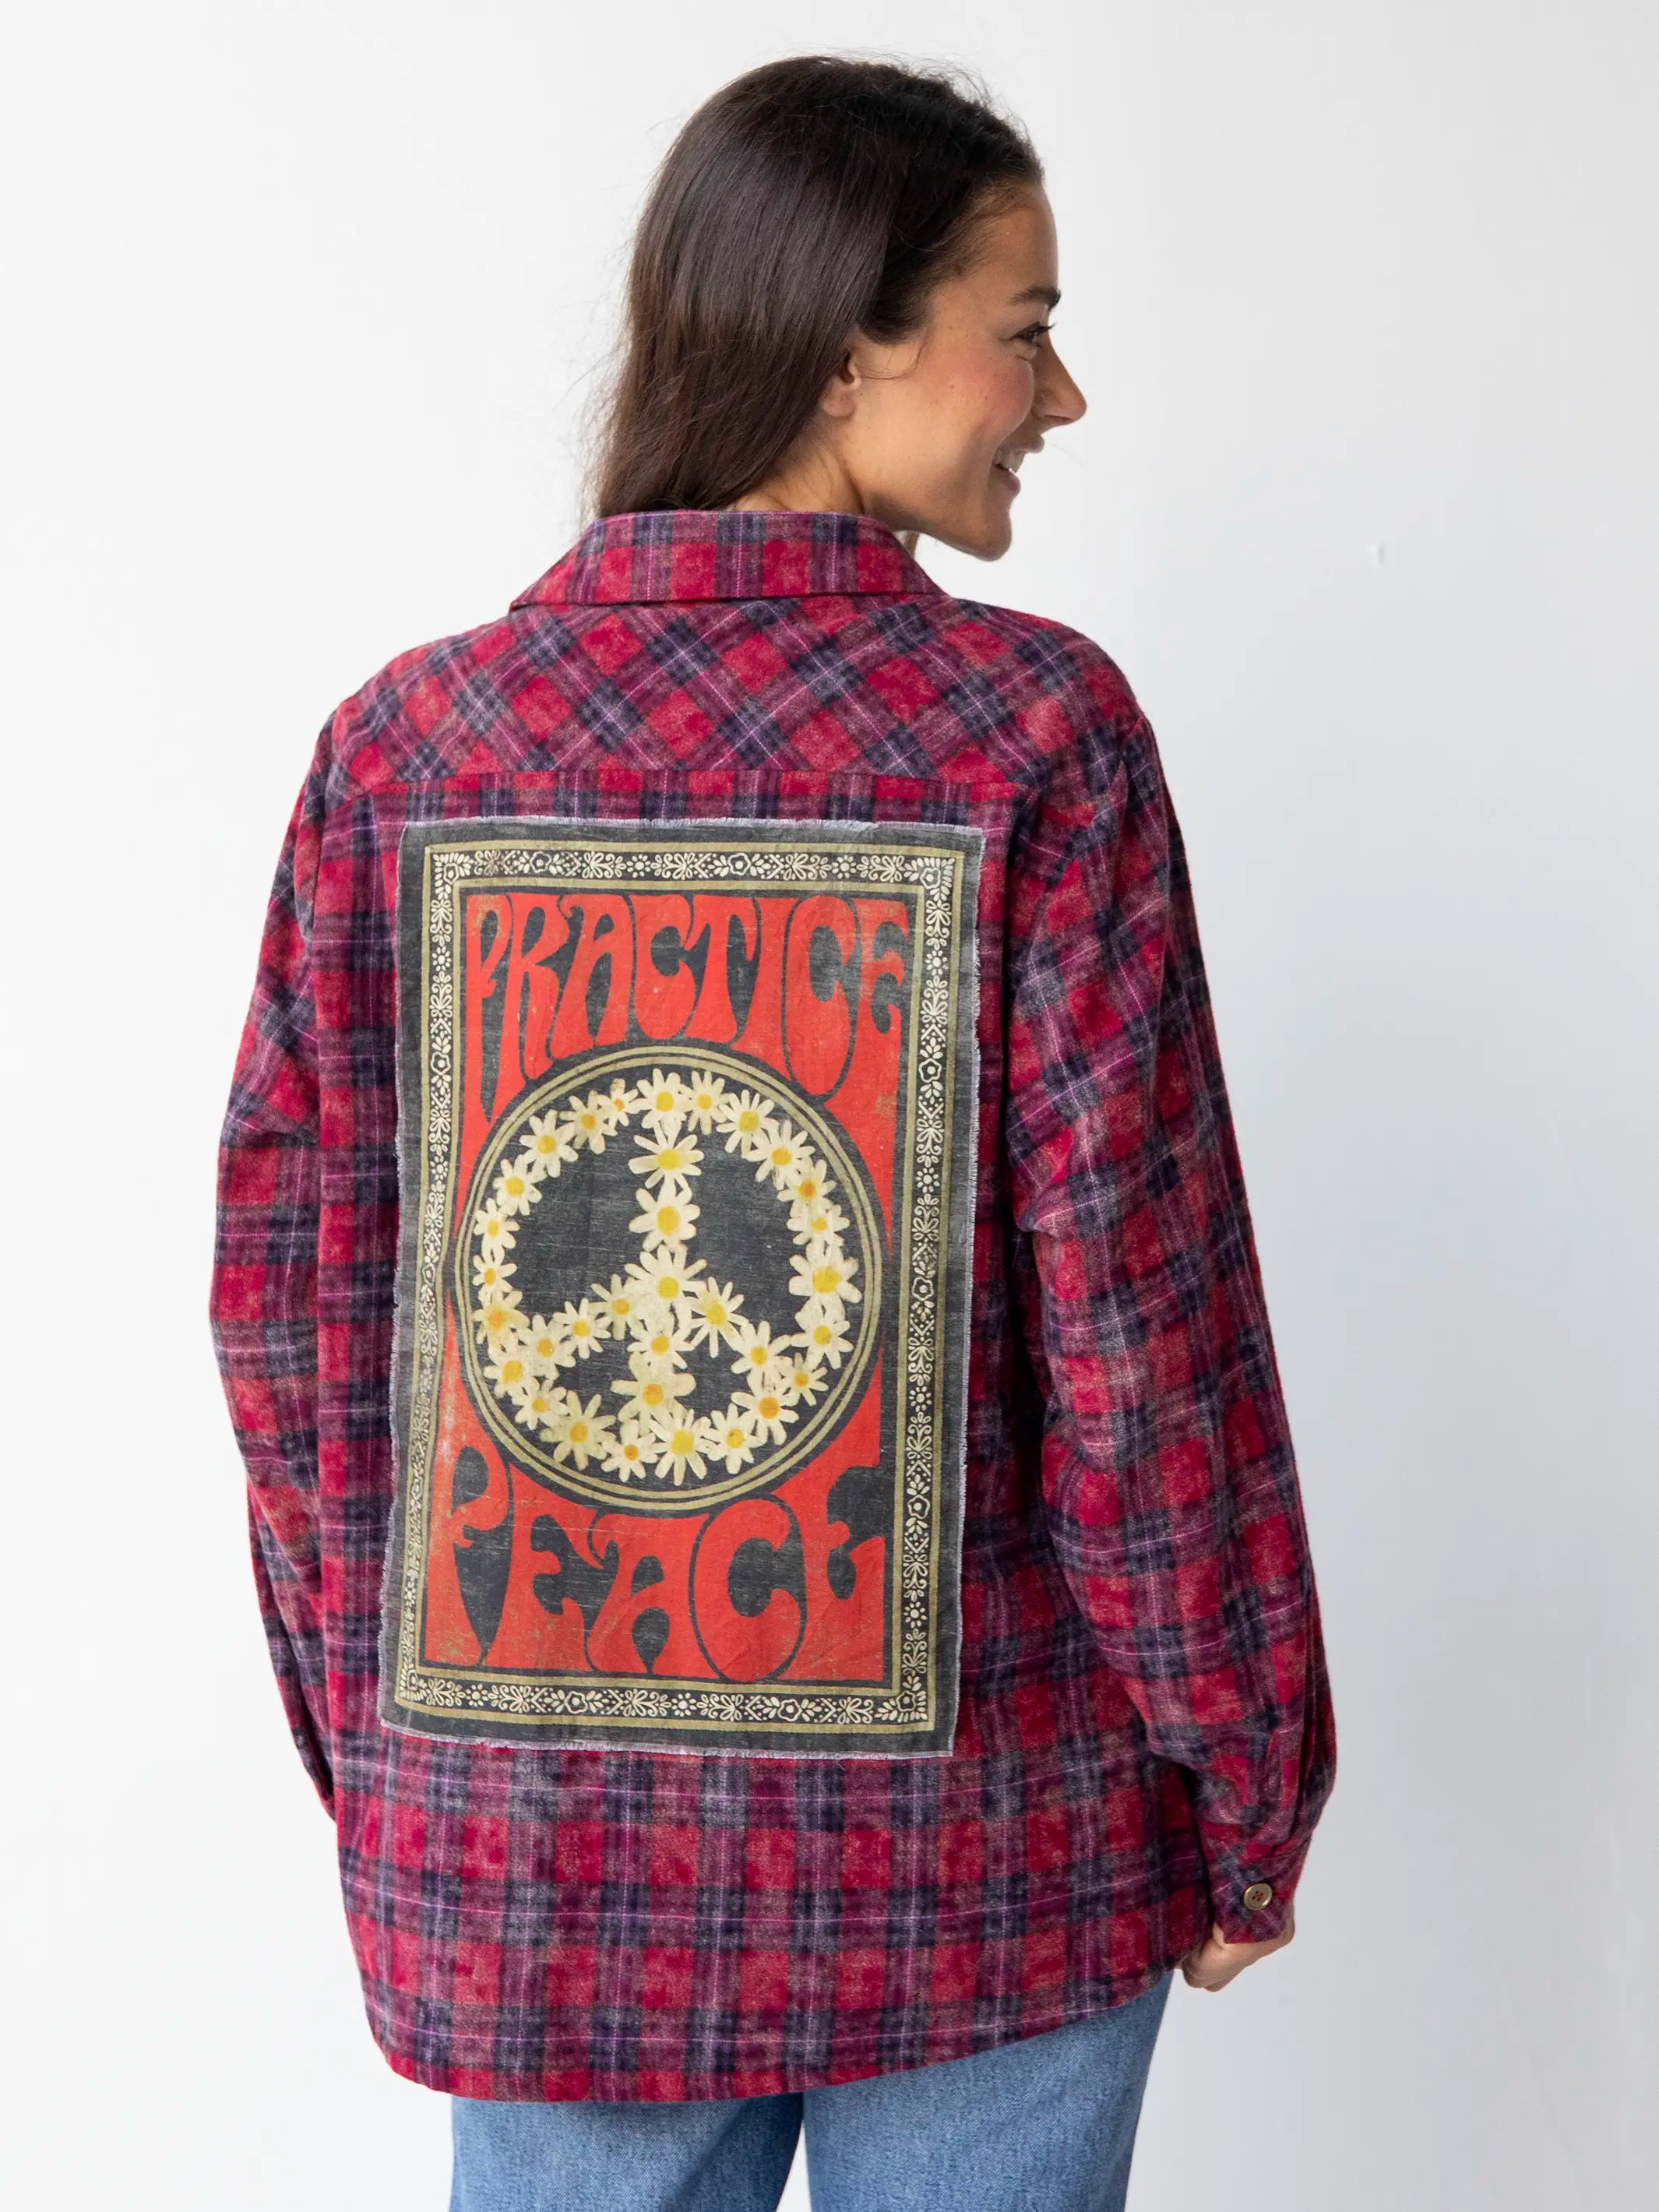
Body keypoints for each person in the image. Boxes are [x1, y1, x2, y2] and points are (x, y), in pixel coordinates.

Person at [210, 53, 1335, 2212]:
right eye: (1024, 328)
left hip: (542, 1876)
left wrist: (399, 1768)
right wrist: (1243, 1773)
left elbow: (283, 1325)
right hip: (989, 1862)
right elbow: (1141, 1337)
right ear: (843, 348)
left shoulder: (404, 754)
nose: (1060, 396)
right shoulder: (1031, 740)